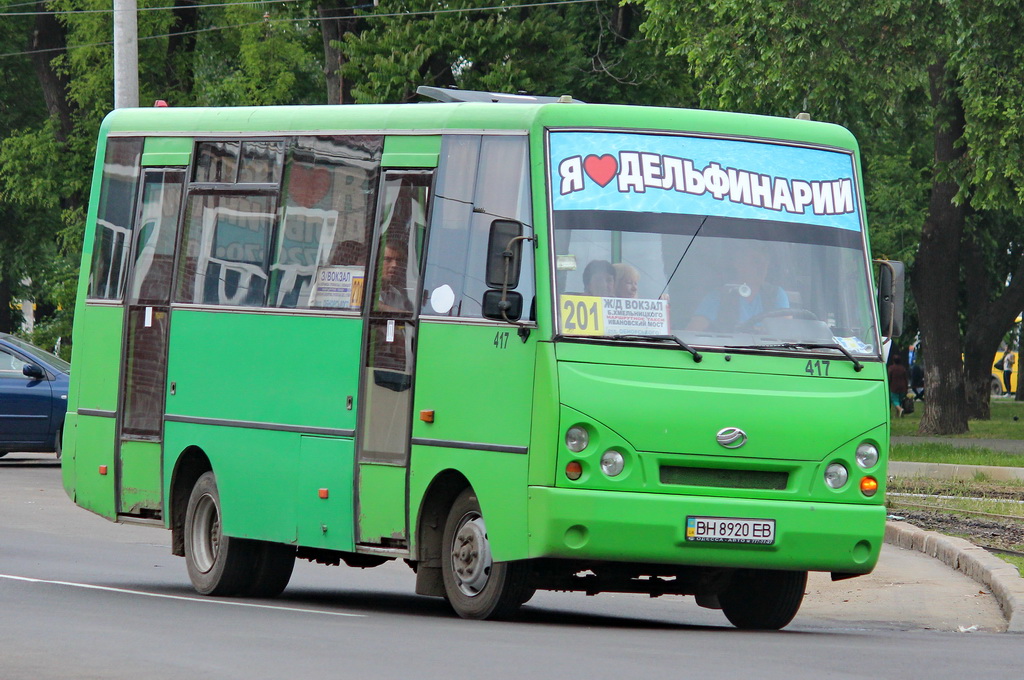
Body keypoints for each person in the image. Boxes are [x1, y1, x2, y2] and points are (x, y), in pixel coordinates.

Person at [687, 247, 789, 331]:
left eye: (765, 262)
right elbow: (693, 332)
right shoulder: (719, 296)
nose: (762, 267)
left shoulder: (776, 295)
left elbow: (786, 332)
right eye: (756, 262)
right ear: (738, 264)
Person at [887, 354, 910, 418]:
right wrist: (906, 387)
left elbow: (889, 377)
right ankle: (898, 414)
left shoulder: (891, 368)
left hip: (894, 386)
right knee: (900, 400)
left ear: (893, 361)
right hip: (903, 386)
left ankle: (900, 409)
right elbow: (906, 378)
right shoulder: (902, 368)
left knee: (894, 400)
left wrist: (888, 384)